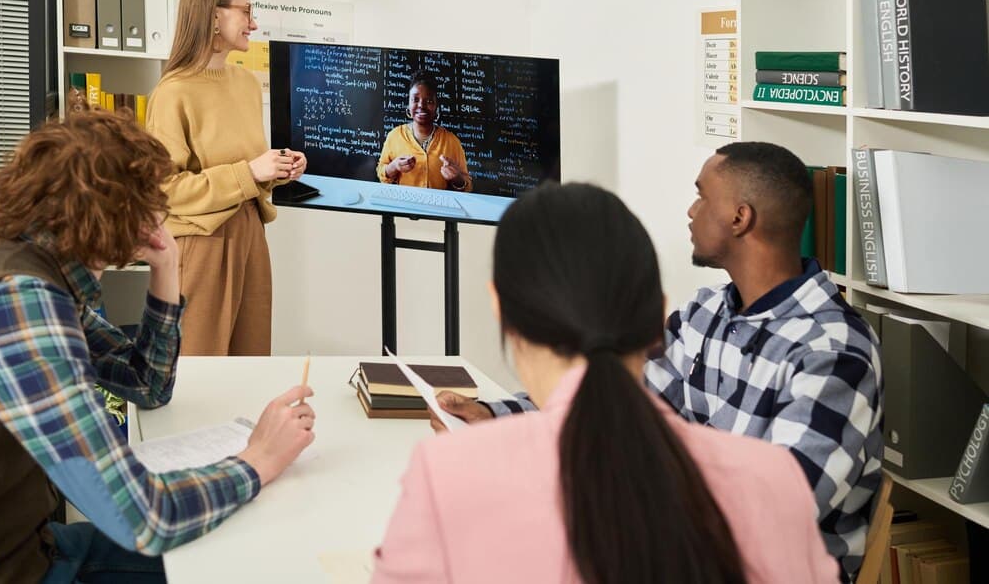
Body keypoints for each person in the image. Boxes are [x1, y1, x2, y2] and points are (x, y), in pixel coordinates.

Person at [433, 143, 882, 583]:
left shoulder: (833, 352)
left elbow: (781, 509)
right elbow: (611, 394)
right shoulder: (708, 314)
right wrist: (494, 415)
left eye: (702, 196)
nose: (691, 210)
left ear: (739, 218)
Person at [0, 111, 316, 583]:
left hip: (28, 545)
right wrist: (258, 459)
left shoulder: (33, 268)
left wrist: (167, 268)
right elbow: (145, 518)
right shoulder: (27, 307)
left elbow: (146, 384)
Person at [146, 0, 307, 356]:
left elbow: (249, 170)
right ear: (214, 16)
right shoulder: (173, 92)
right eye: (246, 11)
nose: (253, 23)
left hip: (251, 235)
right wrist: (251, 172)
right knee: (198, 369)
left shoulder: (247, 84)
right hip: (201, 244)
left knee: (250, 365)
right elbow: (165, 191)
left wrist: (278, 170)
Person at [376, 71, 472, 192]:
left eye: (429, 101)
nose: (421, 105)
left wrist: (457, 178)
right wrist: (394, 166)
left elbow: (467, 185)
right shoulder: (395, 136)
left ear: (436, 106)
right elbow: (381, 173)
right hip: (405, 204)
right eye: (415, 100)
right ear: (408, 106)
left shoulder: (452, 141)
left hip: (438, 207)